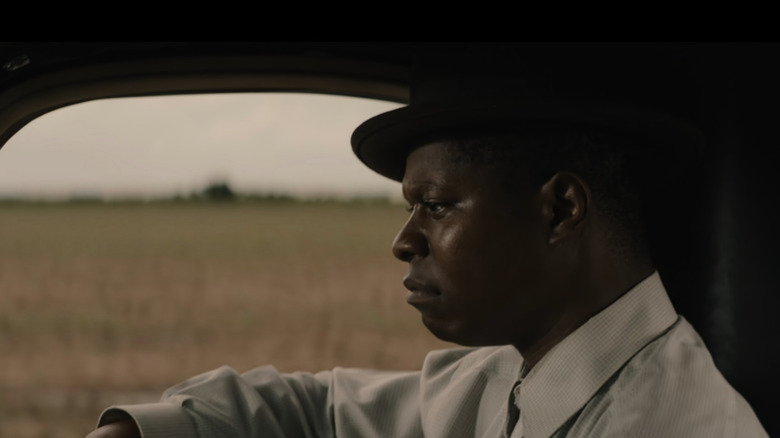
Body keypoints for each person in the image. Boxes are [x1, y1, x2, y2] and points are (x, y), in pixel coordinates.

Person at [87, 45, 769, 437]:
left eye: (436, 206)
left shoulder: (671, 423)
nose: (405, 241)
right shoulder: (505, 380)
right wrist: (144, 431)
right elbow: (325, 412)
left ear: (560, 210)